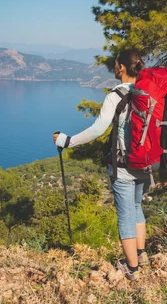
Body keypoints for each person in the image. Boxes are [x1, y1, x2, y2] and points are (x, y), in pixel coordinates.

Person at [53, 49, 150, 282]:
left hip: (124, 165)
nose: (115, 68)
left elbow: (98, 129)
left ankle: (132, 270)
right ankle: (142, 254)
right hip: (147, 163)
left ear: (122, 68)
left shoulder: (115, 96)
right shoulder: (148, 93)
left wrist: (68, 141)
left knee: (126, 215)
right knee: (136, 207)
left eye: (116, 64)